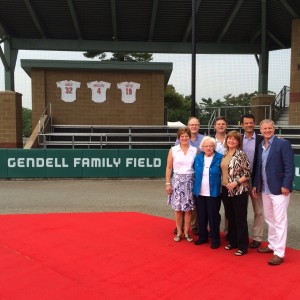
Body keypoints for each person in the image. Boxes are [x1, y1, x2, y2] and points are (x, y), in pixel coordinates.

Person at [253, 119, 295, 266]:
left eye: (269, 128)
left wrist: (286, 185)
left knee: (280, 220)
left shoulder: (283, 144)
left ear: (274, 129)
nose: (267, 131)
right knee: (270, 218)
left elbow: (290, 166)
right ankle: (272, 245)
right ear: (261, 130)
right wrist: (256, 185)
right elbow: (259, 167)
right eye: (264, 129)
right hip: (265, 189)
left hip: (279, 189)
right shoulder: (261, 146)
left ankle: (279, 252)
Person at [221, 130, 251, 256]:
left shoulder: (241, 154)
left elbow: (247, 173)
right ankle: (233, 241)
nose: (231, 141)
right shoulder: (224, 153)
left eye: (234, 139)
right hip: (225, 189)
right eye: (229, 139)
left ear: (238, 142)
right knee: (230, 216)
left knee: (240, 218)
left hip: (238, 190)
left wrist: (236, 182)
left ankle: (243, 246)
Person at [166, 127, 197, 242]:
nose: (184, 138)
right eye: (182, 136)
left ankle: (186, 233)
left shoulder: (194, 150)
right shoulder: (173, 150)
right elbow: (169, 167)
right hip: (177, 182)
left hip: (190, 182)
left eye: (186, 136)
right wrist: (168, 183)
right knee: (178, 209)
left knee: (188, 210)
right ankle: (179, 232)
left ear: (189, 137)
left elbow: (196, 167)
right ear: (179, 138)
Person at [174, 117, 204, 235]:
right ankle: (180, 227)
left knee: (193, 203)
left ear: (199, 126)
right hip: (181, 177)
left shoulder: (203, 139)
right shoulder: (181, 139)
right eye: (192, 125)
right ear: (188, 125)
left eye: (196, 124)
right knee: (180, 204)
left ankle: (194, 225)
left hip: (196, 175)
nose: (194, 127)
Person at [193, 136, 223, 249]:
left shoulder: (220, 157)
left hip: (214, 192)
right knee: (201, 216)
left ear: (214, 147)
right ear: (202, 147)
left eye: (211, 146)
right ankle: (202, 237)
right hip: (199, 192)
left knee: (213, 217)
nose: (208, 148)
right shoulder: (198, 158)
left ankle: (215, 239)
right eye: (206, 146)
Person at [240, 114, 264, 248]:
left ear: (254, 124)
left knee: (258, 211)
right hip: (240, 181)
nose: (249, 125)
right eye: (246, 123)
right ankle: (233, 233)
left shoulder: (261, 139)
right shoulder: (238, 139)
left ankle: (257, 237)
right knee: (238, 209)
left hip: (255, 180)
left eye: (251, 123)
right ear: (242, 125)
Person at [213, 116, 228, 239]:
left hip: (229, 178)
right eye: (219, 124)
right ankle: (215, 231)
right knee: (215, 207)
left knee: (229, 207)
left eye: (223, 124)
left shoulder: (232, 139)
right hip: (215, 178)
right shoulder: (210, 141)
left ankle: (228, 232)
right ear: (215, 126)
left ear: (226, 126)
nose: (221, 126)